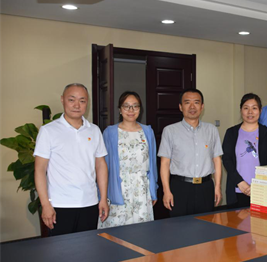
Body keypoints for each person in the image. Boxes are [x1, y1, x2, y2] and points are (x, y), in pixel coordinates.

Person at [33, 83, 109, 235]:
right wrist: (45, 204)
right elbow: (40, 169)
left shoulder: (94, 130)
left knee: (88, 247)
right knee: (60, 248)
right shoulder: (48, 131)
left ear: (87, 103)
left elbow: (101, 165)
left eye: (82, 100)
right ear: (62, 100)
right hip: (60, 205)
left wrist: (103, 199)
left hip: (89, 202)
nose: (77, 105)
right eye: (71, 99)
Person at [158, 88, 223, 217]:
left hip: (206, 187)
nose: (192, 107)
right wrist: (166, 191)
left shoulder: (211, 130)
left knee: (206, 225)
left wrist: (217, 186)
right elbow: (165, 163)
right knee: (179, 226)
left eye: (196, 102)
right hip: (180, 188)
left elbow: (217, 160)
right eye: (187, 102)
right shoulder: (170, 131)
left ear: (202, 107)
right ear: (180, 107)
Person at [99, 91, 158, 228]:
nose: (131, 110)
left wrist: (153, 190)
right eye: (126, 106)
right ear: (120, 109)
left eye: (135, 106)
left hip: (142, 189)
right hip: (118, 189)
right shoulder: (110, 132)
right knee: (116, 233)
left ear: (140, 109)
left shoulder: (148, 131)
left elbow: (152, 164)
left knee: (141, 232)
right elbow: (104, 166)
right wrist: (102, 196)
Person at [222, 93, 267, 208]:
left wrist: (257, 185)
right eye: (246, 108)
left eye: (254, 108)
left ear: (260, 110)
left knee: (259, 220)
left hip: (261, 190)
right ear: (241, 110)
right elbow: (227, 160)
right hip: (237, 189)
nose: (250, 112)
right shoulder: (231, 133)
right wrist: (240, 182)